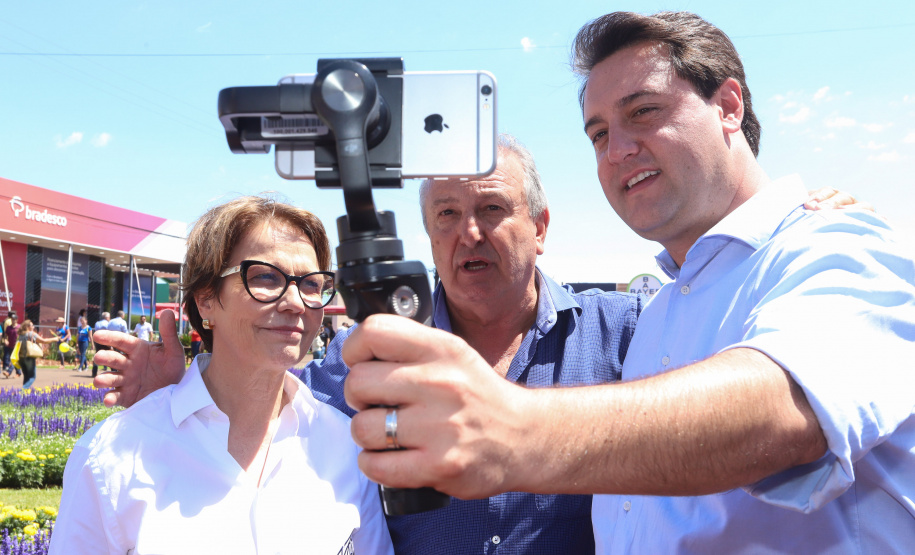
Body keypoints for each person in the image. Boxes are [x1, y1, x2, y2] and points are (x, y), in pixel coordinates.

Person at [91, 135, 860, 554]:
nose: (468, 232)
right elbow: (269, 392)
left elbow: (747, 352)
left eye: (491, 207)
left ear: (541, 226)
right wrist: (187, 378)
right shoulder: (371, 353)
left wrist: (785, 221)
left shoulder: (631, 332)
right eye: (446, 214)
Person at [338, 11, 915, 554]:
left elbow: (783, 408)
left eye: (642, 111)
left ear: (729, 106)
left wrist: (511, 431)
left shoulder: (837, 245)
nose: (617, 150)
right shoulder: (659, 314)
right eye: (597, 133)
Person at [51, 195, 392, 554]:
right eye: (265, 277)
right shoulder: (113, 458)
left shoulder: (346, 448)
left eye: (311, 284)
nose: (295, 302)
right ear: (206, 299)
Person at [15, 320, 55, 389]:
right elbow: (43, 341)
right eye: (32, 325)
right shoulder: (31, 334)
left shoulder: (21, 335)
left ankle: (24, 393)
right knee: (32, 377)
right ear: (28, 327)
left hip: (21, 358)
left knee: (26, 376)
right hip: (29, 358)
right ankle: (22, 390)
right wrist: (55, 339)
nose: (33, 327)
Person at [90, 312, 110, 377]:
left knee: (97, 355)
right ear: (107, 317)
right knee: (110, 355)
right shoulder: (109, 323)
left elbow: (96, 331)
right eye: (109, 317)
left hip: (98, 341)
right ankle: (114, 371)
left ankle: (94, 373)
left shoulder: (97, 323)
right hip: (106, 341)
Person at [2, 312, 20, 379]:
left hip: (17, 346)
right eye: (12, 319)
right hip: (10, 346)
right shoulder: (8, 328)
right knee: (14, 360)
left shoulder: (19, 327)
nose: (13, 320)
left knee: (13, 359)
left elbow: (22, 335)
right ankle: (18, 373)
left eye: (14, 319)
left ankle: (8, 372)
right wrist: (6, 340)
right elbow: (5, 336)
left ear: (17, 320)